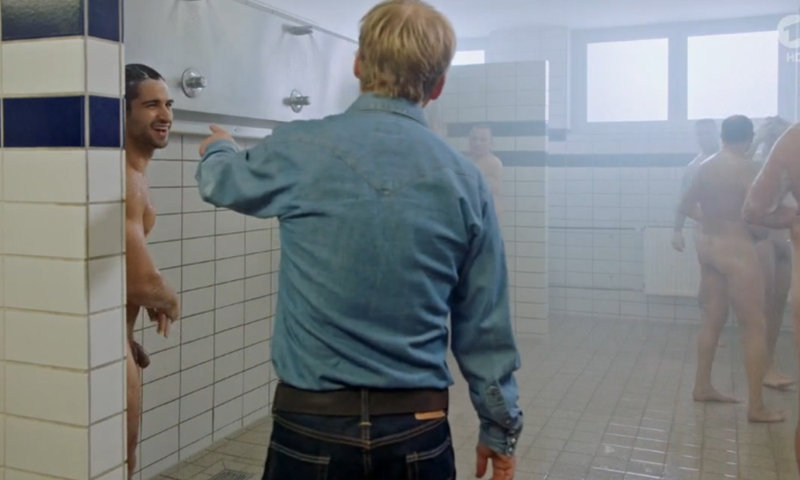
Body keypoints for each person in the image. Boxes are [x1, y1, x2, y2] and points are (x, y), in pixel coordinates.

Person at [195, 1, 523, 479]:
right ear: (438, 86)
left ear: (358, 65)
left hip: (311, 421)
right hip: (418, 423)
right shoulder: (466, 181)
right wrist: (499, 427)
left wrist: (220, 147)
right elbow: (485, 325)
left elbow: (219, 183)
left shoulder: (299, 147)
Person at [679, 115, 783, 423]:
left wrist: (712, 219)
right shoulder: (749, 169)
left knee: (712, 320)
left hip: (709, 248)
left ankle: (702, 386)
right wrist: (765, 230)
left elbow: (685, 205)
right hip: (737, 251)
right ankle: (756, 407)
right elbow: (758, 216)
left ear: (722, 136)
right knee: (755, 326)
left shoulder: (704, 166)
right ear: (749, 139)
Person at [124, 63, 181, 475]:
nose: (165, 115)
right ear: (123, 112)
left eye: (168, 104)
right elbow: (142, 281)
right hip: (106, 344)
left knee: (123, 453)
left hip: (118, 339)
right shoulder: (125, 179)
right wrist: (169, 301)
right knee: (119, 458)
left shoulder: (135, 177)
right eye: (151, 105)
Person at [743, 121, 800, 472]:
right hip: (760, 245)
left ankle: (770, 368)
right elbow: (752, 215)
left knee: (771, 313)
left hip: (778, 246)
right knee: (760, 317)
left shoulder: (791, 144)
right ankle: (757, 394)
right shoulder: (781, 150)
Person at [750, 116, 795, 389]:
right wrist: (758, 138)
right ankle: (762, 367)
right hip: (763, 239)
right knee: (763, 306)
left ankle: (770, 363)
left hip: (784, 240)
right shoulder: (756, 164)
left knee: (778, 306)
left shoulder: (790, 164)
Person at [672, 119, 719, 252]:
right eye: (700, 134)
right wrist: (677, 231)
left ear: (717, 134)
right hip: (707, 227)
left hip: (734, 226)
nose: (704, 138)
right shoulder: (694, 167)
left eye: (708, 133)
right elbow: (683, 200)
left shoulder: (732, 159)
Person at [466, 125, 503, 217]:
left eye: (483, 140)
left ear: (491, 143)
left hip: (488, 214)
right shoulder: (466, 161)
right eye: (474, 139)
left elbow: (486, 190)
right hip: (473, 212)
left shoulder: (493, 163)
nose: (477, 143)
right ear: (469, 141)